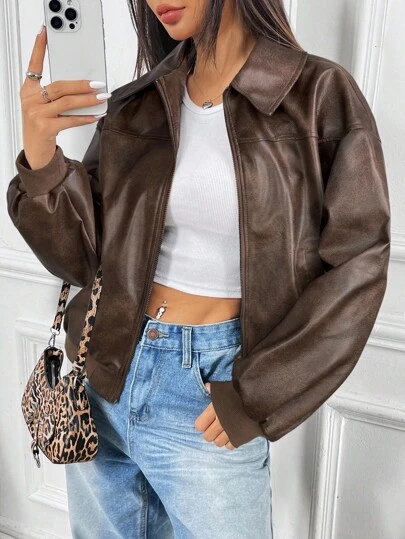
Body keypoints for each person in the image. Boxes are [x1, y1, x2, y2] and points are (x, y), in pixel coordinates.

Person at [7, 0, 390, 537]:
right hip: (105, 378)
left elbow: (359, 263)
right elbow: (80, 259)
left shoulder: (318, 95)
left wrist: (256, 396)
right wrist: (42, 159)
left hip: (211, 389)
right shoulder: (138, 103)